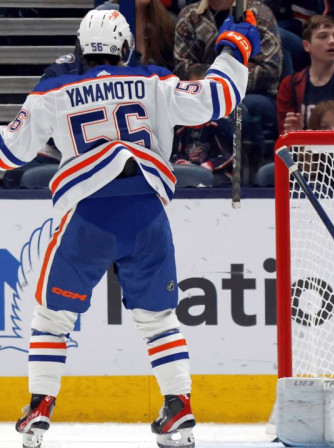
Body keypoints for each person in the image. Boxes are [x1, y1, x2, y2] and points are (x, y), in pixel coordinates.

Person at [2, 9, 255, 448]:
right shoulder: (154, 80)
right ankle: (178, 407)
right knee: (158, 319)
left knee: (53, 318)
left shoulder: (56, 87)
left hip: (89, 214)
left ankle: (41, 405)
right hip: (147, 211)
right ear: (125, 48)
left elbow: (10, 153)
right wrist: (236, 44)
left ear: (80, 48)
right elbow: (219, 97)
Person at [174, 0, 282, 176]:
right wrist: (229, 74)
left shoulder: (259, 13)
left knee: (240, 108)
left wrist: (220, 81)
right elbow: (184, 68)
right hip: (203, 91)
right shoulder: (189, 16)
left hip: (252, 94)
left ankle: (249, 173)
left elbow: (270, 70)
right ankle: (189, 163)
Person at [277, 15, 334, 134]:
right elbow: (284, 135)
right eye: (323, 36)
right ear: (307, 46)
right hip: (302, 150)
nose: (332, 41)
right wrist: (295, 134)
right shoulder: (289, 85)